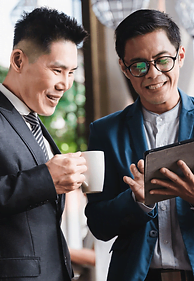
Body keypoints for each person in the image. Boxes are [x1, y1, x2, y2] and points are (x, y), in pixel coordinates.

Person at [85, 9, 194, 281]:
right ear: (124, 68)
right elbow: (98, 224)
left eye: (163, 60)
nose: (153, 74)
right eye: (139, 65)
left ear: (179, 56)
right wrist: (136, 201)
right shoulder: (104, 132)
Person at [0, 7, 88, 281]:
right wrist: (46, 179)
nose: (66, 84)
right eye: (57, 70)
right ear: (18, 60)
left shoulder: (33, 122)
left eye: (71, 72)